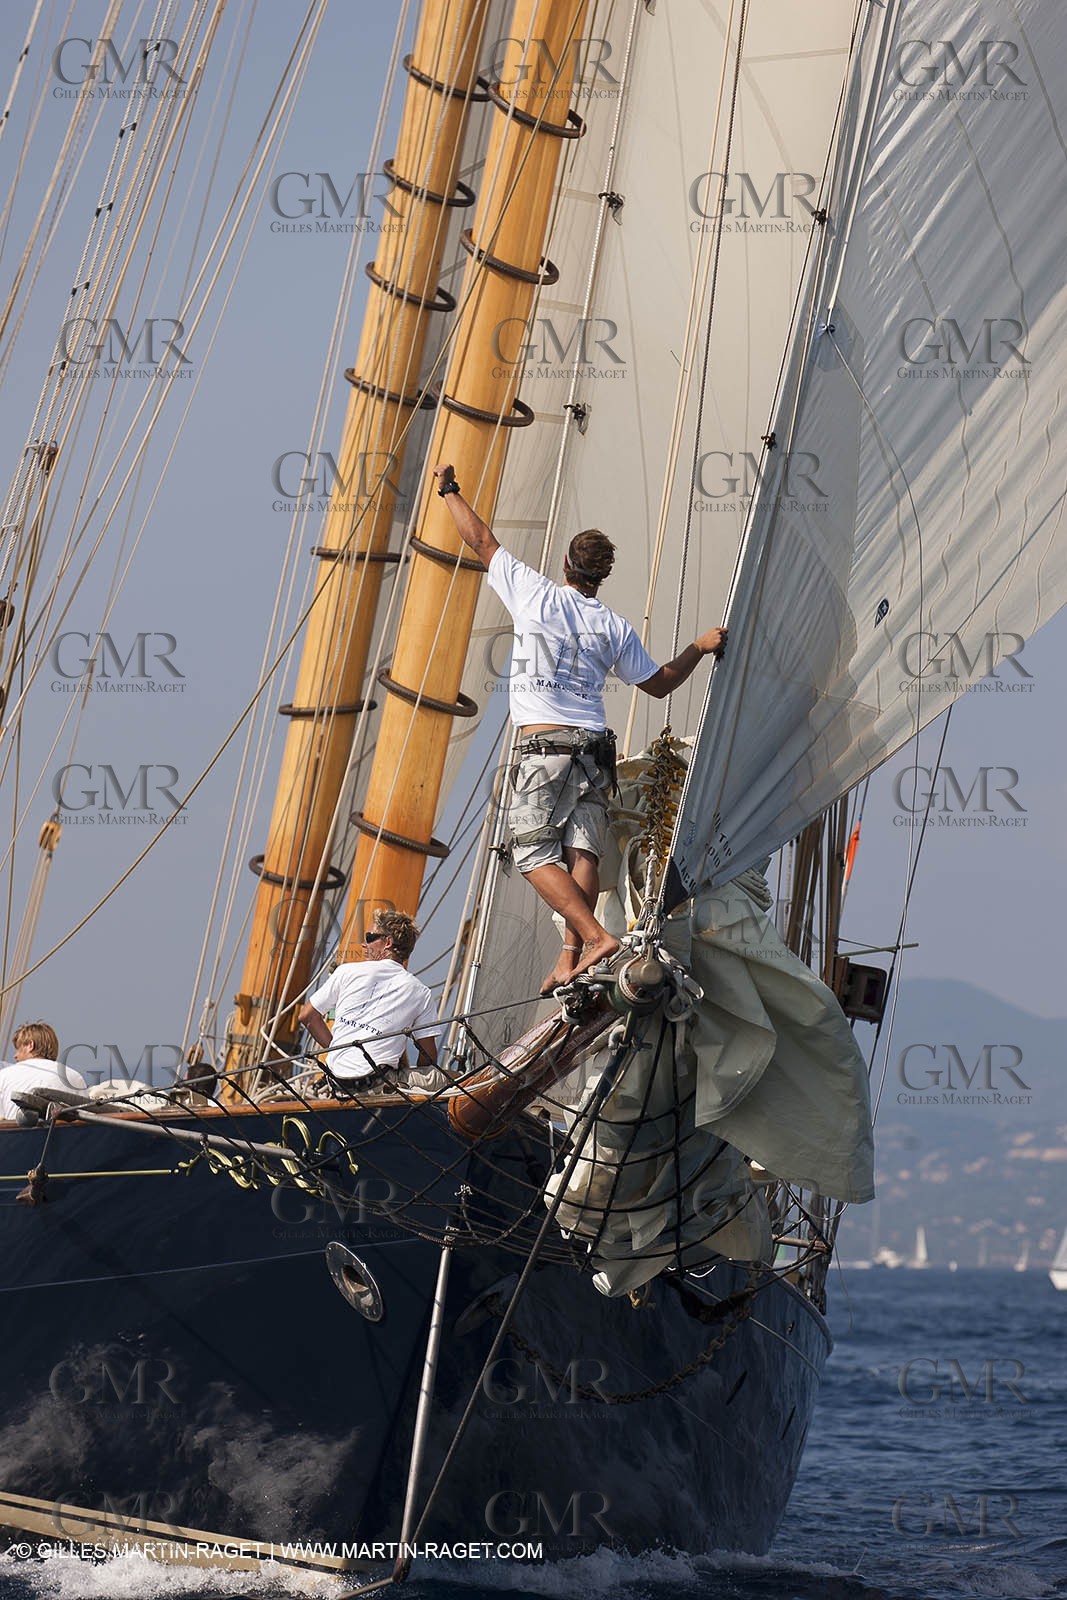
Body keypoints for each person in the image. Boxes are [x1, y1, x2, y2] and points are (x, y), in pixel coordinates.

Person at [433, 461, 727, 994]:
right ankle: (570, 959)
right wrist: (699, 648)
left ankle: (593, 937)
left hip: (544, 746)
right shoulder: (611, 625)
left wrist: (450, 489)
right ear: (601, 576)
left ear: (566, 563)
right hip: (595, 747)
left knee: (529, 850)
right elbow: (659, 684)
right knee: (582, 851)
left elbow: (480, 540)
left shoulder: (534, 593)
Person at [298, 910, 439, 1094]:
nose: (364, 944)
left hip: (337, 1082)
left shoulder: (346, 972)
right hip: (376, 1084)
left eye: (370, 937)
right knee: (449, 1077)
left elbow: (307, 1016)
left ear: (388, 943)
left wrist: (338, 1051)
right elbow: (428, 1056)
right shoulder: (421, 992)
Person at [0, 1021, 87, 1123]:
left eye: (18, 1048)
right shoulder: (75, 1077)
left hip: (17, 1137)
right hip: (64, 1137)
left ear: (30, 1045)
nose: (15, 1055)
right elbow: (85, 1121)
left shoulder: (4, 1076)